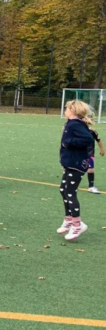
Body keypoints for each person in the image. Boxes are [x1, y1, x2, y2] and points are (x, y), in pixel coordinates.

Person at [57, 100, 94, 240]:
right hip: (70, 162)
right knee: (63, 189)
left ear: (73, 110)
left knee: (70, 192)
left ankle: (77, 225)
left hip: (77, 163)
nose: (65, 110)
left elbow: (88, 139)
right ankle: (69, 219)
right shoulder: (70, 123)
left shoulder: (75, 124)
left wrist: (69, 142)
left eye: (66, 108)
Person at [87, 127, 104, 194]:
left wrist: (102, 149)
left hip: (90, 153)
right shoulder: (77, 129)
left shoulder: (93, 131)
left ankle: (91, 187)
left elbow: (98, 140)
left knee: (90, 169)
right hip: (78, 153)